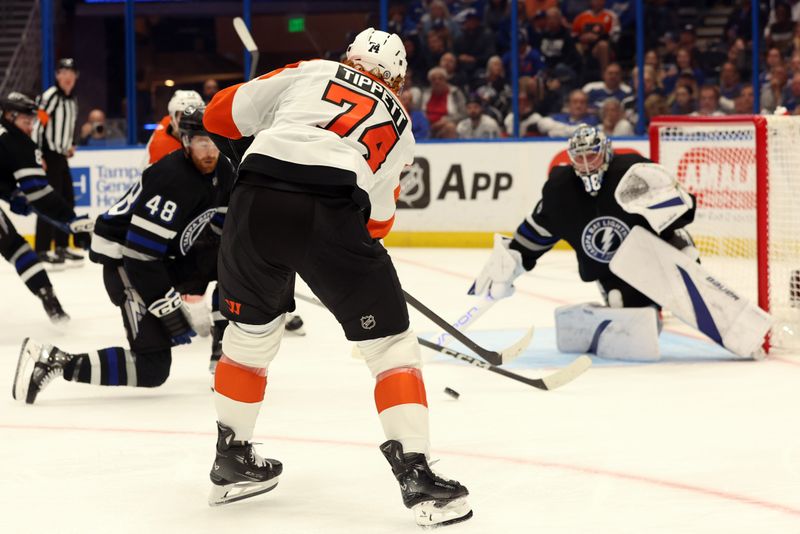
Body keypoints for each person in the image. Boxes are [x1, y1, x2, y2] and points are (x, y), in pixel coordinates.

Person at [199, 28, 472, 527]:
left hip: (254, 201)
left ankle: (232, 458)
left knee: (249, 335)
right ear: (399, 78)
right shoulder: (401, 122)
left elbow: (216, 114)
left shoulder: (309, 70)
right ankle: (415, 473)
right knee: (390, 346)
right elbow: (379, 222)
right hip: (334, 207)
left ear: (347, 57)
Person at [13, 108, 233, 404]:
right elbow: (140, 255)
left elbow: (222, 228)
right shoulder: (172, 180)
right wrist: (167, 306)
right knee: (152, 368)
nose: (209, 151)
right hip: (124, 261)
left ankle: (222, 355)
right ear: (185, 142)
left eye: (214, 143)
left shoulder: (224, 170)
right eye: (200, 143)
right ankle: (53, 360)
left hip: (162, 256)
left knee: (232, 266)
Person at [469, 125, 708, 361]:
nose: (586, 164)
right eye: (579, 157)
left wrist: (672, 196)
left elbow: (680, 213)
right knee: (622, 305)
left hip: (656, 249)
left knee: (683, 257)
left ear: (606, 152)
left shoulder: (632, 173)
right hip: (614, 270)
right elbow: (537, 232)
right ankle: (650, 311)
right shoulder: (562, 191)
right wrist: (509, 264)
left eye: (591, 155)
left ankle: (690, 267)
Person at [0, 92, 93, 323]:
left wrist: (11, 195)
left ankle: (50, 301)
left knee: (14, 245)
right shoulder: (16, 141)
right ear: (10, 117)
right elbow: (40, 195)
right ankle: (51, 303)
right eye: (26, 121)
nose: (30, 127)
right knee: (15, 247)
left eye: (32, 122)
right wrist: (72, 223)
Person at [34, 57, 82, 269]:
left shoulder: (72, 100)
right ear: (57, 76)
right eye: (63, 72)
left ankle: (62, 245)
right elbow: (37, 126)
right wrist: (38, 154)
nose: (67, 77)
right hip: (48, 155)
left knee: (67, 201)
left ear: (76, 77)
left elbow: (68, 127)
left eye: (71, 73)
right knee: (49, 202)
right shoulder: (50, 96)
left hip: (61, 156)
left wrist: (69, 144)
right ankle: (43, 249)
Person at [144, 89, 204, 166]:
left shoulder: (211, 139)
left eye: (195, 115)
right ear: (172, 118)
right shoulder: (160, 148)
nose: (190, 121)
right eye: (184, 115)